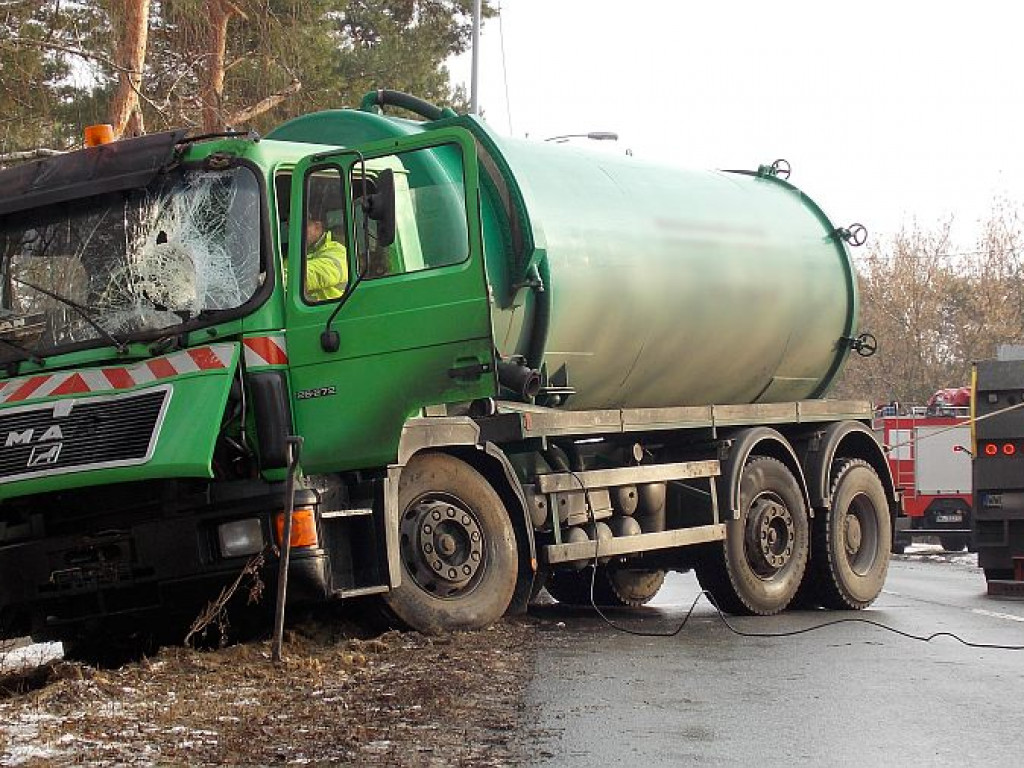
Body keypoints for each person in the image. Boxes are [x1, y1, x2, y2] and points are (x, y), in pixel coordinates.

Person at [302, 215, 348, 302]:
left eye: (301, 227)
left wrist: (275, 280)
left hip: (335, 312)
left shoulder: (337, 249)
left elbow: (316, 274)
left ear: (317, 227)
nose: (292, 232)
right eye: (290, 226)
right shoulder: (297, 253)